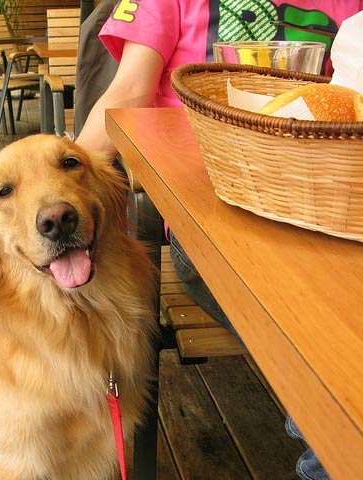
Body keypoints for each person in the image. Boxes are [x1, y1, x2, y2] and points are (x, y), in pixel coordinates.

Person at [74, 2, 363, 480]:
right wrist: (61, 179)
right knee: (334, 363)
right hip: (207, 214)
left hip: (327, 214)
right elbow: (127, 92)